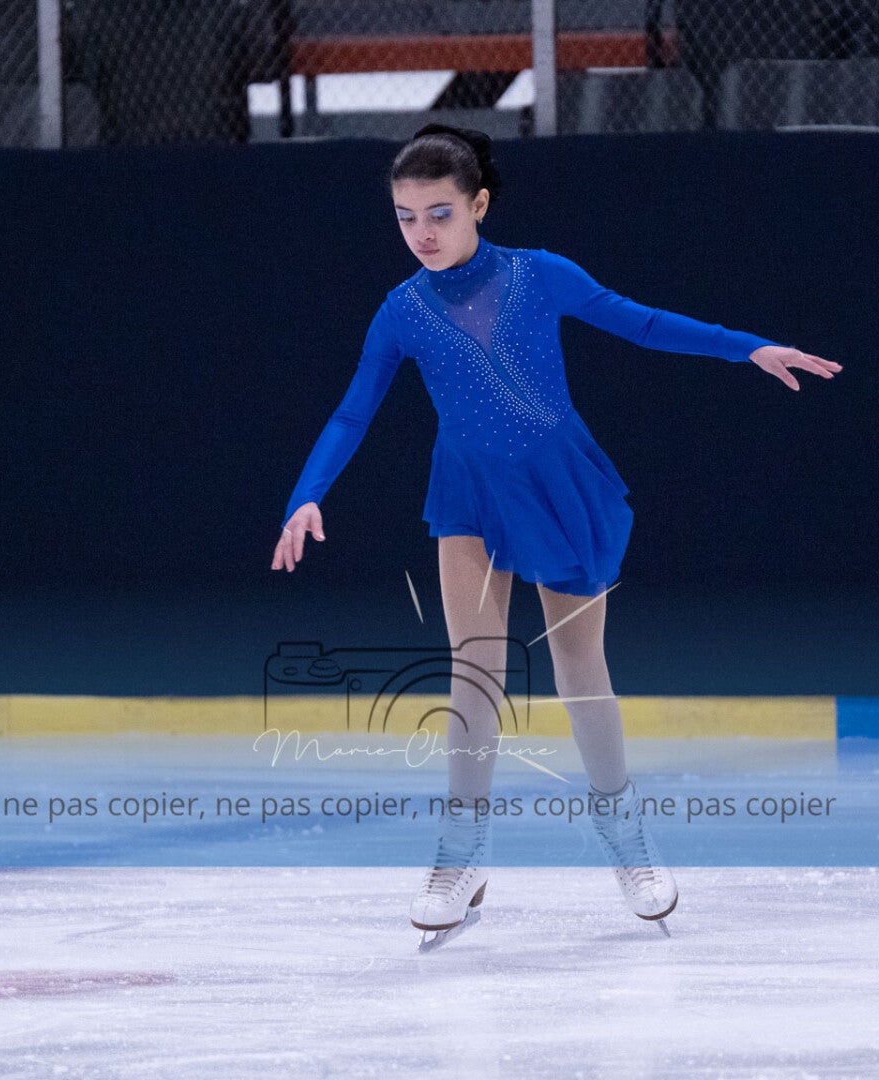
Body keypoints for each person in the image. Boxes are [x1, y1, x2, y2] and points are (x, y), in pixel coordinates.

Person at [270, 123, 839, 932]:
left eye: (439, 213)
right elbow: (351, 411)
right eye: (406, 217)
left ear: (479, 205)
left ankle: (628, 840)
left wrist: (747, 348)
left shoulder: (539, 274)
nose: (422, 233)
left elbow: (642, 323)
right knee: (474, 671)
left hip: (556, 484)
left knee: (579, 670)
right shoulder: (401, 312)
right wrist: (308, 494)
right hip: (468, 491)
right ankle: (461, 855)